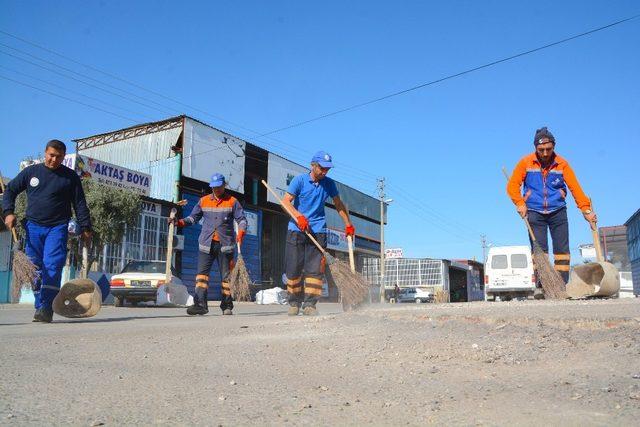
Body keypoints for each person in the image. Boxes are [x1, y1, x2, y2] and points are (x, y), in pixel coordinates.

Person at [2, 140, 92, 323]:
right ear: (45, 153)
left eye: (59, 157)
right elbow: (10, 190)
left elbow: (80, 204)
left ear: (63, 157)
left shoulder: (70, 177)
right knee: (34, 269)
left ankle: (46, 307)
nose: (54, 159)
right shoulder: (31, 172)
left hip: (57, 228)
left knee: (52, 265)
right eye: (51, 155)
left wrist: (86, 227)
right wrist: (8, 212)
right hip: (33, 227)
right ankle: (40, 305)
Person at [507, 127, 597, 288]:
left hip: (558, 211)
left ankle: (561, 286)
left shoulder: (562, 164)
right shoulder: (525, 162)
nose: (545, 153)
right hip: (534, 211)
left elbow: (575, 188)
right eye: (541, 149)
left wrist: (586, 211)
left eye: (549, 149)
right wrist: (520, 203)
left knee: (562, 250)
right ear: (535, 148)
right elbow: (512, 186)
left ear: (554, 146)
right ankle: (543, 287)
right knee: (540, 251)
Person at [282, 151, 355, 316]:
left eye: (327, 169)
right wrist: (299, 216)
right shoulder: (299, 180)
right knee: (293, 268)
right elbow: (285, 202)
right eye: (321, 168)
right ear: (313, 165)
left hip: (318, 230)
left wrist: (348, 223)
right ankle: (294, 302)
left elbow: (338, 204)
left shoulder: (329, 183)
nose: (324, 172)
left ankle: (310, 305)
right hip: (297, 229)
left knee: (314, 270)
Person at [172, 173, 247, 316]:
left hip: (225, 246)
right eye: (214, 187)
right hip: (206, 244)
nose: (216, 190)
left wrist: (242, 230)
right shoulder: (203, 201)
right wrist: (180, 222)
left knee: (226, 277)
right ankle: (200, 305)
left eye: (219, 186)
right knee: (201, 276)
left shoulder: (232, 201)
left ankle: (227, 305)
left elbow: (241, 219)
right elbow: (193, 218)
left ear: (224, 185)